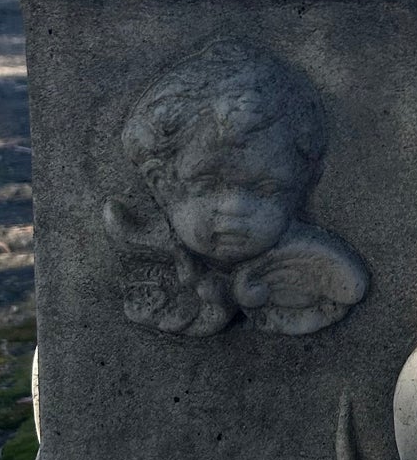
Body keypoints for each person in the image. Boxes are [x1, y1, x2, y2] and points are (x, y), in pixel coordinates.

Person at [103, 39, 368, 338]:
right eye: (207, 184)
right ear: (162, 185)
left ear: (301, 187)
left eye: (267, 189)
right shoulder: (153, 267)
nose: (235, 208)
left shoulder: (320, 271)